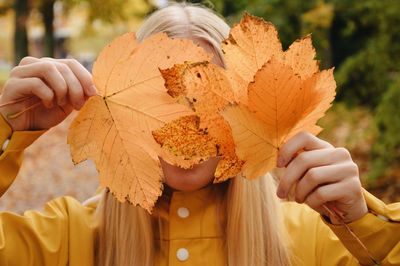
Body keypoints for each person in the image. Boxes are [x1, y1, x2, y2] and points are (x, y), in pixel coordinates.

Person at [0, 3, 399, 266]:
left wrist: (363, 223)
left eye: (207, 101)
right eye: (161, 101)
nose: (183, 129)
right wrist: (5, 128)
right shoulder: (71, 238)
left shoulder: (311, 239)